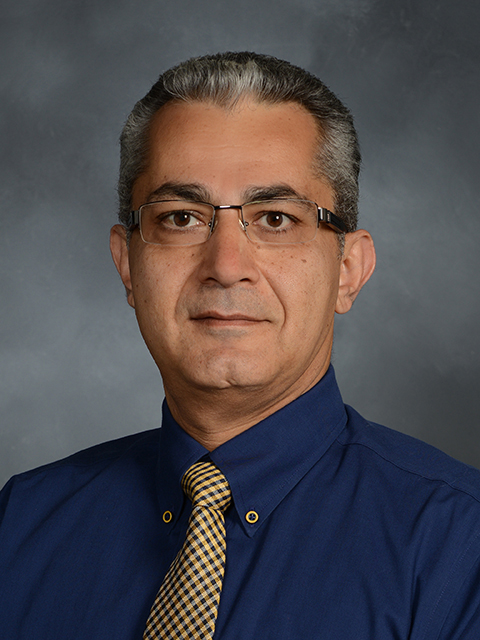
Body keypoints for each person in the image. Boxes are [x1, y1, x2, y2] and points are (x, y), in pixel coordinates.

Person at [1, 52, 479, 639]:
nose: (226, 266)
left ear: (348, 270)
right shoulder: (20, 526)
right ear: (127, 265)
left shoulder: (460, 545)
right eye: (181, 218)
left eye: (275, 218)